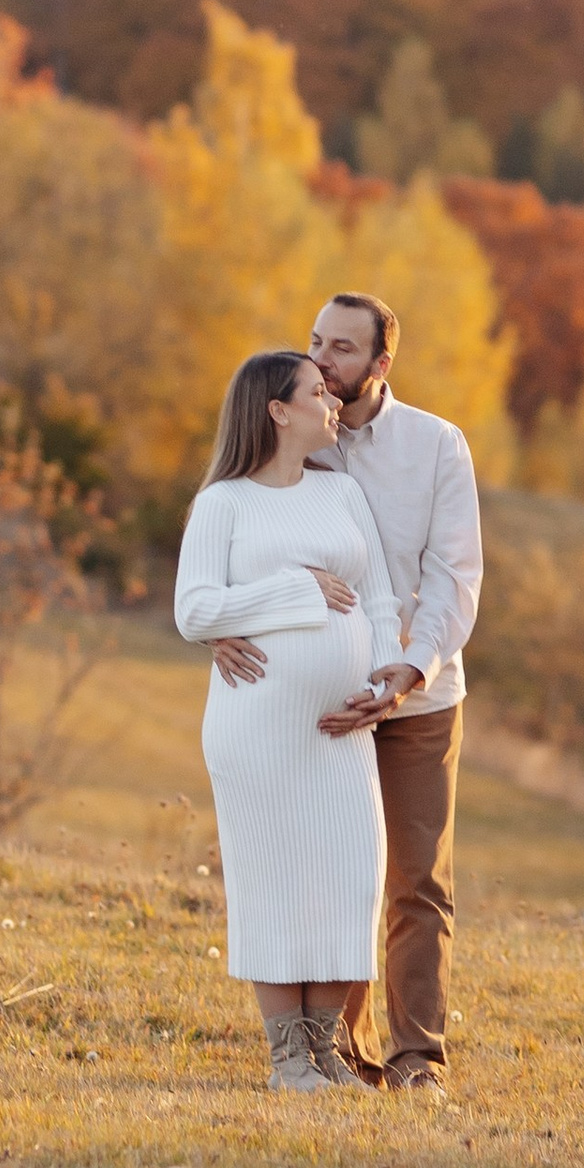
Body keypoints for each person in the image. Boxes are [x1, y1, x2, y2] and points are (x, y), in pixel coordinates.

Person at [209, 290, 482, 1092]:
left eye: (343, 350)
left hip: (419, 697)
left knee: (415, 881)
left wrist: (410, 669)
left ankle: (417, 1056)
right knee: (337, 873)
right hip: (320, 705)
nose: (322, 362)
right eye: (316, 342)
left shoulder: (436, 447)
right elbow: (236, 538)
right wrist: (224, 623)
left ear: (381, 364)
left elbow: (453, 577)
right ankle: (343, 1054)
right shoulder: (294, 434)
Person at [173, 348, 408, 1095]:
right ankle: (286, 1061)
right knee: (274, 880)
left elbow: (377, 598)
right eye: (316, 392)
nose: (330, 401)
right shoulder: (226, 503)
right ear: (277, 411)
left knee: (349, 877)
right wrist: (297, 591)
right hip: (258, 732)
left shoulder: (340, 494)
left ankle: (325, 1051)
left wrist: (382, 678)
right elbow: (195, 609)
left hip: (344, 730)